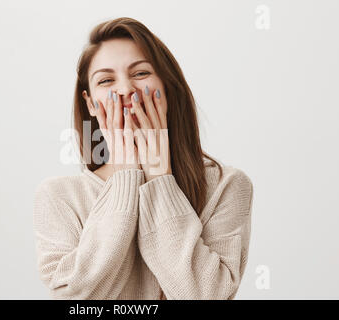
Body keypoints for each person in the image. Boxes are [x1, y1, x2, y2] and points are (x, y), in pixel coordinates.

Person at [33, 17, 254, 300]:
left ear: (167, 86)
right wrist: (125, 178)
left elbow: (205, 295)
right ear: (90, 103)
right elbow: (77, 300)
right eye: (106, 80)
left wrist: (160, 177)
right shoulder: (58, 196)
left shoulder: (226, 186)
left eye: (140, 74)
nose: (125, 90)